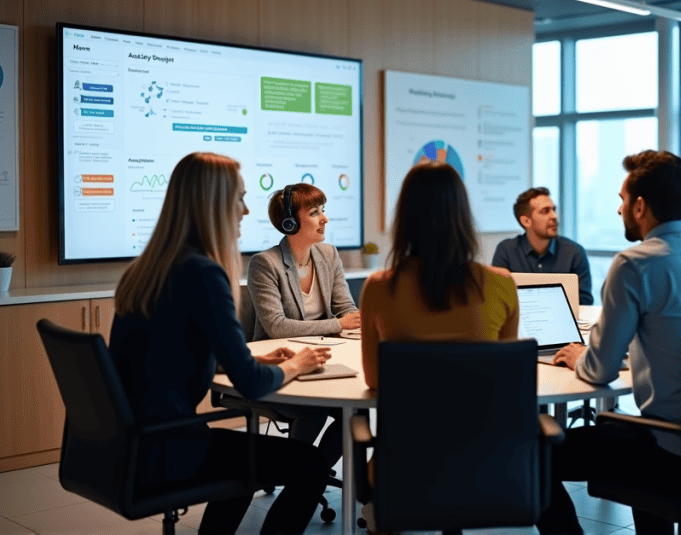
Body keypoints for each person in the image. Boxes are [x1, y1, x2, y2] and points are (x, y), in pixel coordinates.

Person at [109, 152, 331, 535]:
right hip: (167, 449)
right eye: (238, 198)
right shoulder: (203, 273)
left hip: (130, 446)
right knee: (311, 464)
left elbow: (167, 357)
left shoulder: (149, 268)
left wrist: (251, 357)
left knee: (241, 462)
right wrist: (298, 364)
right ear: (213, 204)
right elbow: (253, 385)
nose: (245, 211)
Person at [536, 150, 681, 535]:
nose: (619, 210)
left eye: (622, 200)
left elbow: (600, 369)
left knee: (534, 457)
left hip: (674, 449)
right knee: (638, 432)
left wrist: (579, 357)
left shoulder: (635, 264)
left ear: (639, 206)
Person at [360, 160, 519, 389]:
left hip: (410, 425)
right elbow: (506, 374)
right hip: (482, 424)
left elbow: (374, 381)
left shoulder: (378, 287)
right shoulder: (501, 283)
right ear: (463, 215)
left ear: (405, 218)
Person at [246, 183, 359, 465]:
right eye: (314, 212)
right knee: (316, 409)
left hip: (324, 358)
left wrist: (354, 322)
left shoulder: (328, 255)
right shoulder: (265, 263)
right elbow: (277, 327)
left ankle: (311, 473)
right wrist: (338, 325)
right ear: (290, 221)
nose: (324, 219)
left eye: (323, 210)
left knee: (357, 410)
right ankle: (298, 473)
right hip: (284, 365)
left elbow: (345, 309)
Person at [491, 187, 593, 306]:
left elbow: (585, 302)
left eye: (554, 210)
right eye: (545, 211)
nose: (554, 216)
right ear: (526, 221)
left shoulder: (575, 252)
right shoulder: (506, 250)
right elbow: (497, 298)